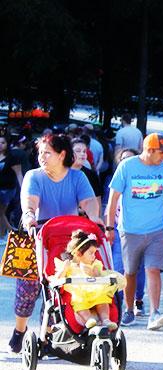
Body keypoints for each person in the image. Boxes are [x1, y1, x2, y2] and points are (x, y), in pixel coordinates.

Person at [8, 134, 100, 353]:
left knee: (57, 289)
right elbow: (30, 200)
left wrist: (94, 218)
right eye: (40, 153)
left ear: (62, 155)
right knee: (27, 290)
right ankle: (20, 330)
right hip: (36, 235)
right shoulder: (34, 176)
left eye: (47, 153)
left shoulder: (77, 178)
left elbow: (88, 202)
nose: (42, 157)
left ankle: (46, 336)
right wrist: (29, 215)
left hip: (66, 241)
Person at [106, 133, 163, 330]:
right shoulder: (127, 167)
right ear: (150, 150)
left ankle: (155, 313)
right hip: (130, 230)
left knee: (153, 269)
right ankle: (129, 311)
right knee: (130, 272)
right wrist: (110, 227)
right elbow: (113, 199)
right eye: (162, 152)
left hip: (157, 230)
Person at [51, 230, 125, 330]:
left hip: (95, 291)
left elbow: (100, 277)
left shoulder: (95, 264)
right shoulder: (69, 266)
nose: (94, 256)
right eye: (91, 253)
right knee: (79, 301)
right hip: (79, 292)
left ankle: (106, 319)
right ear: (78, 253)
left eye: (95, 253)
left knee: (103, 298)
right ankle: (89, 319)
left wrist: (93, 271)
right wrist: (64, 269)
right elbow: (57, 280)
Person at [110, 148, 147, 316]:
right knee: (118, 267)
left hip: (140, 232)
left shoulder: (143, 182)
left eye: (131, 159)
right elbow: (109, 207)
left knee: (137, 269)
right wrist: (108, 228)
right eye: (123, 159)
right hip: (119, 230)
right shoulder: (116, 181)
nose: (127, 162)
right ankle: (118, 304)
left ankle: (138, 299)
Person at [0, 135, 23, 241]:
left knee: (1, 212)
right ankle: (6, 233)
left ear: (7, 144)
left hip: (7, 190)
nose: (0, 145)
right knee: (1, 213)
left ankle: (11, 232)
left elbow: (19, 174)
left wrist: (23, 189)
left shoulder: (12, 157)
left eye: (3, 143)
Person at [71, 138, 103, 211]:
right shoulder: (61, 172)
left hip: (85, 219)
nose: (82, 154)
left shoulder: (91, 175)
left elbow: (98, 201)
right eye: (78, 151)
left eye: (84, 151)